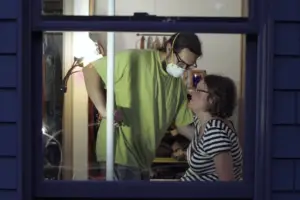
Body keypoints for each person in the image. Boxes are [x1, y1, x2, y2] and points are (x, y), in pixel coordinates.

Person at [83, 33, 202, 180]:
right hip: (119, 153)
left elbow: (183, 125)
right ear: (169, 47)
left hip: (143, 160)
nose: (183, 69)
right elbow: (90, 70)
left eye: (189, 66)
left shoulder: (178, 87)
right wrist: (104, 110)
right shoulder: (134, 59)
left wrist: (209, 140)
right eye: (181, 63)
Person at [180, 75, 243, 181]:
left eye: (198, 91)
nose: (192, 93)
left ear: (212, 99)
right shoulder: (202, 122)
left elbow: (227, 182)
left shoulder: (215, 131)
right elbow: (181, 126)